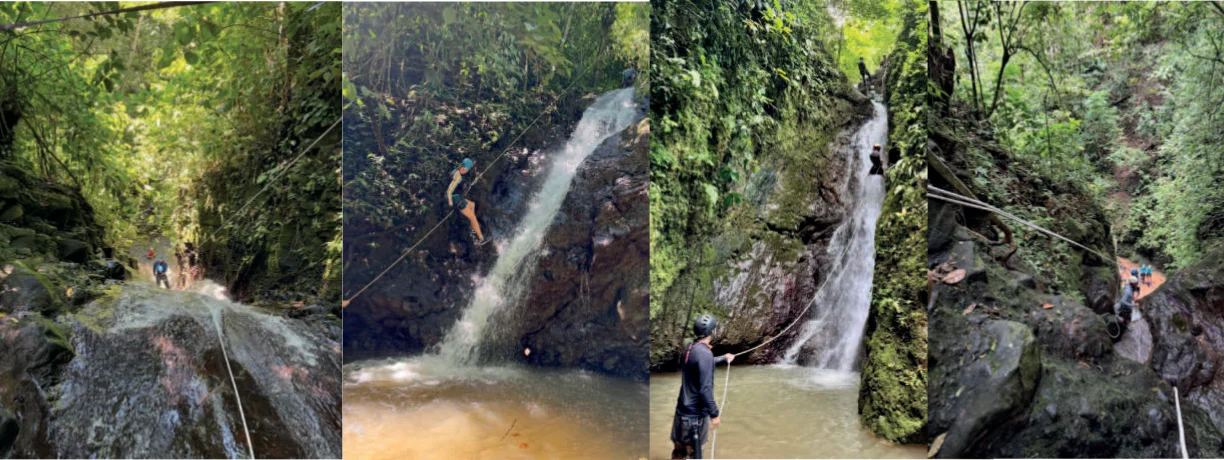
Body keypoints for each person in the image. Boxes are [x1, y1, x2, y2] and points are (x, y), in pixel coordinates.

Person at [671, 313, 735, 460]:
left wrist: (724, 358)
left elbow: (701, 363)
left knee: (679, 454)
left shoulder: (691, 348)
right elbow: (705, 390)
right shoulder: (704, 353)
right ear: (712, 331)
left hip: (681, 413)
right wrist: (715, 414)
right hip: (695, 418)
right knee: (694, 455)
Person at [446, 157, 486, 244]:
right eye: (464, 168)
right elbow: (449, 190)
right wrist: (450, 203)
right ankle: (482, 239)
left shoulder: (456, 171)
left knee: (472, 205)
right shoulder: (458, 176)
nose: (465, 170)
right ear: (461, 166)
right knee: (473, 217)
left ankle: (474, 229)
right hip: (455, 199)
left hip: (458, 197)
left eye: (466, 169)